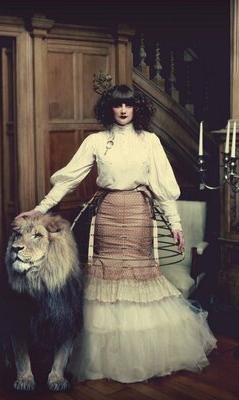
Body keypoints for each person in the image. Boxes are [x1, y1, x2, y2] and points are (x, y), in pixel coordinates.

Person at [16, 84, 216, 383]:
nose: (123, 110)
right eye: (117, 105)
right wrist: (40, 209)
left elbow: (163, 189)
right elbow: (68, 180)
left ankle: (142, 355)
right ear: (109, 108)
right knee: (107, 281)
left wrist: (175, 225)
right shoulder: (96, 140)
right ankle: (105, 358)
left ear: (137, 109)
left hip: (139, 214)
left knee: (139, 278)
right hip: (107, 214)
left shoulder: (150, 141)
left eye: (129, 105)